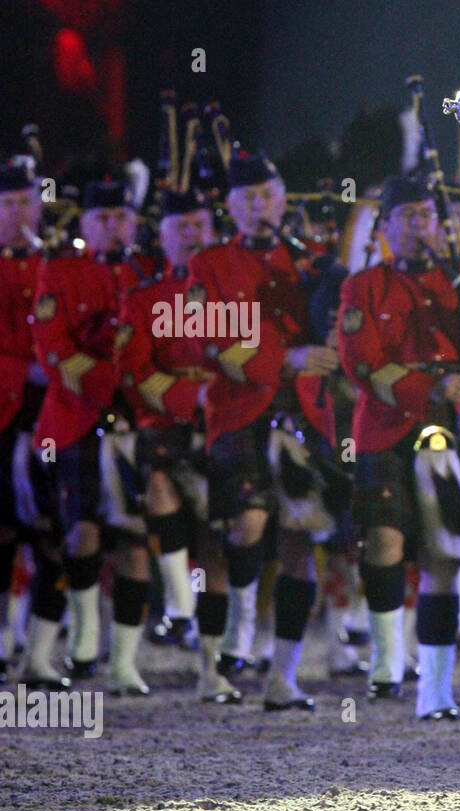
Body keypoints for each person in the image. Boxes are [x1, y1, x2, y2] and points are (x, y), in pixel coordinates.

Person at [337, 172, 460, 719]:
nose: (417, 227)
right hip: (386, 425)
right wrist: (428, 383)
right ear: (385, 227)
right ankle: (386, 661)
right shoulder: (362, 287)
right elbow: (360, 363)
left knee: (446, 559)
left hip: (457, 425)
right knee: (383, 540)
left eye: (426, 215)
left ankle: (435, 689)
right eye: (405, 217)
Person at [186, 149, 345, 711]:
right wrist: (291, 356)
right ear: (230, 206)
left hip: (302, 413)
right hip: (238, 413)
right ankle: (229, 645)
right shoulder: (207, 266)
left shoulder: (308, 263)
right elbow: (215, 346)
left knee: (301, 537)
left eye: (268, 196)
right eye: (247, 198)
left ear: (283, 200)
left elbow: (336, 328)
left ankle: (282, 677)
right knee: (246, 525)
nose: (260, 207)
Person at [27, 176, 154, 692]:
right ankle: (82, 639)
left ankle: (124, 665)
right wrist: (115, 377)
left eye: (122, 217)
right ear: (86, 224)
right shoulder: (58, 271)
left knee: (135, 543)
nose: (114, 226)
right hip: (78, 419)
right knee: (79, 533)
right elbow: (52, 351)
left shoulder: (147, 272)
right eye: (103, 218)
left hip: (136, 423)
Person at [117, 186, 238, 702]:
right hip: (161, 418)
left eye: (198, 227)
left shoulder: (231, 295)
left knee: (216, 545)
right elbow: (134, 369)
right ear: (161, 237)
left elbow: (245, 357)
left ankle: (211, 666)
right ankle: (179, 605)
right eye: (180, 228)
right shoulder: (144, 297)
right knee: (161, 483)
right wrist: (192, 396)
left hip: (221, 421)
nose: (191, 236)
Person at [0, 155, 46, 685]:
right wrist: (23, 371)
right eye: (7, 203)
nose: (18, 212)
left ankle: (39, 644)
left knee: (46, 531)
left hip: (47, 415)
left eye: (25, 201)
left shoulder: (53, 265)